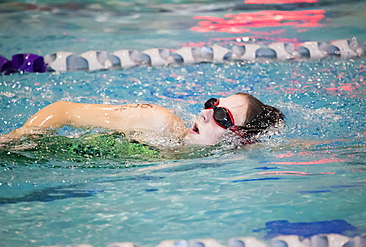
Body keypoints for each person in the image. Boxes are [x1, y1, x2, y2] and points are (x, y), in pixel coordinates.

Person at [0, 92, 284, 147]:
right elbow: (64, 110)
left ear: (239, 137)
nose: (205, 113)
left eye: (222, 116)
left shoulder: (238, 154)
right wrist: (19, 138)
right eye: (212, 104)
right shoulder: (156, 122)